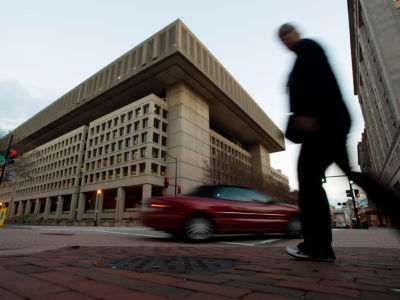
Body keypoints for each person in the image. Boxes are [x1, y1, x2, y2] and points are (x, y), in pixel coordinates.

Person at [278, 23, 399, 262]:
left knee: (308, 179)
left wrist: (306, 114)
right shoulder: (305, 54)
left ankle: (318, 247)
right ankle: (320, 246)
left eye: (286, 34)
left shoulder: (308, 49)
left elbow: (316, 83)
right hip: (331, 125)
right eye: (281, 38)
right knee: (350, 175)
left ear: (296, 33)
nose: (285, 40)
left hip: (322, 126)